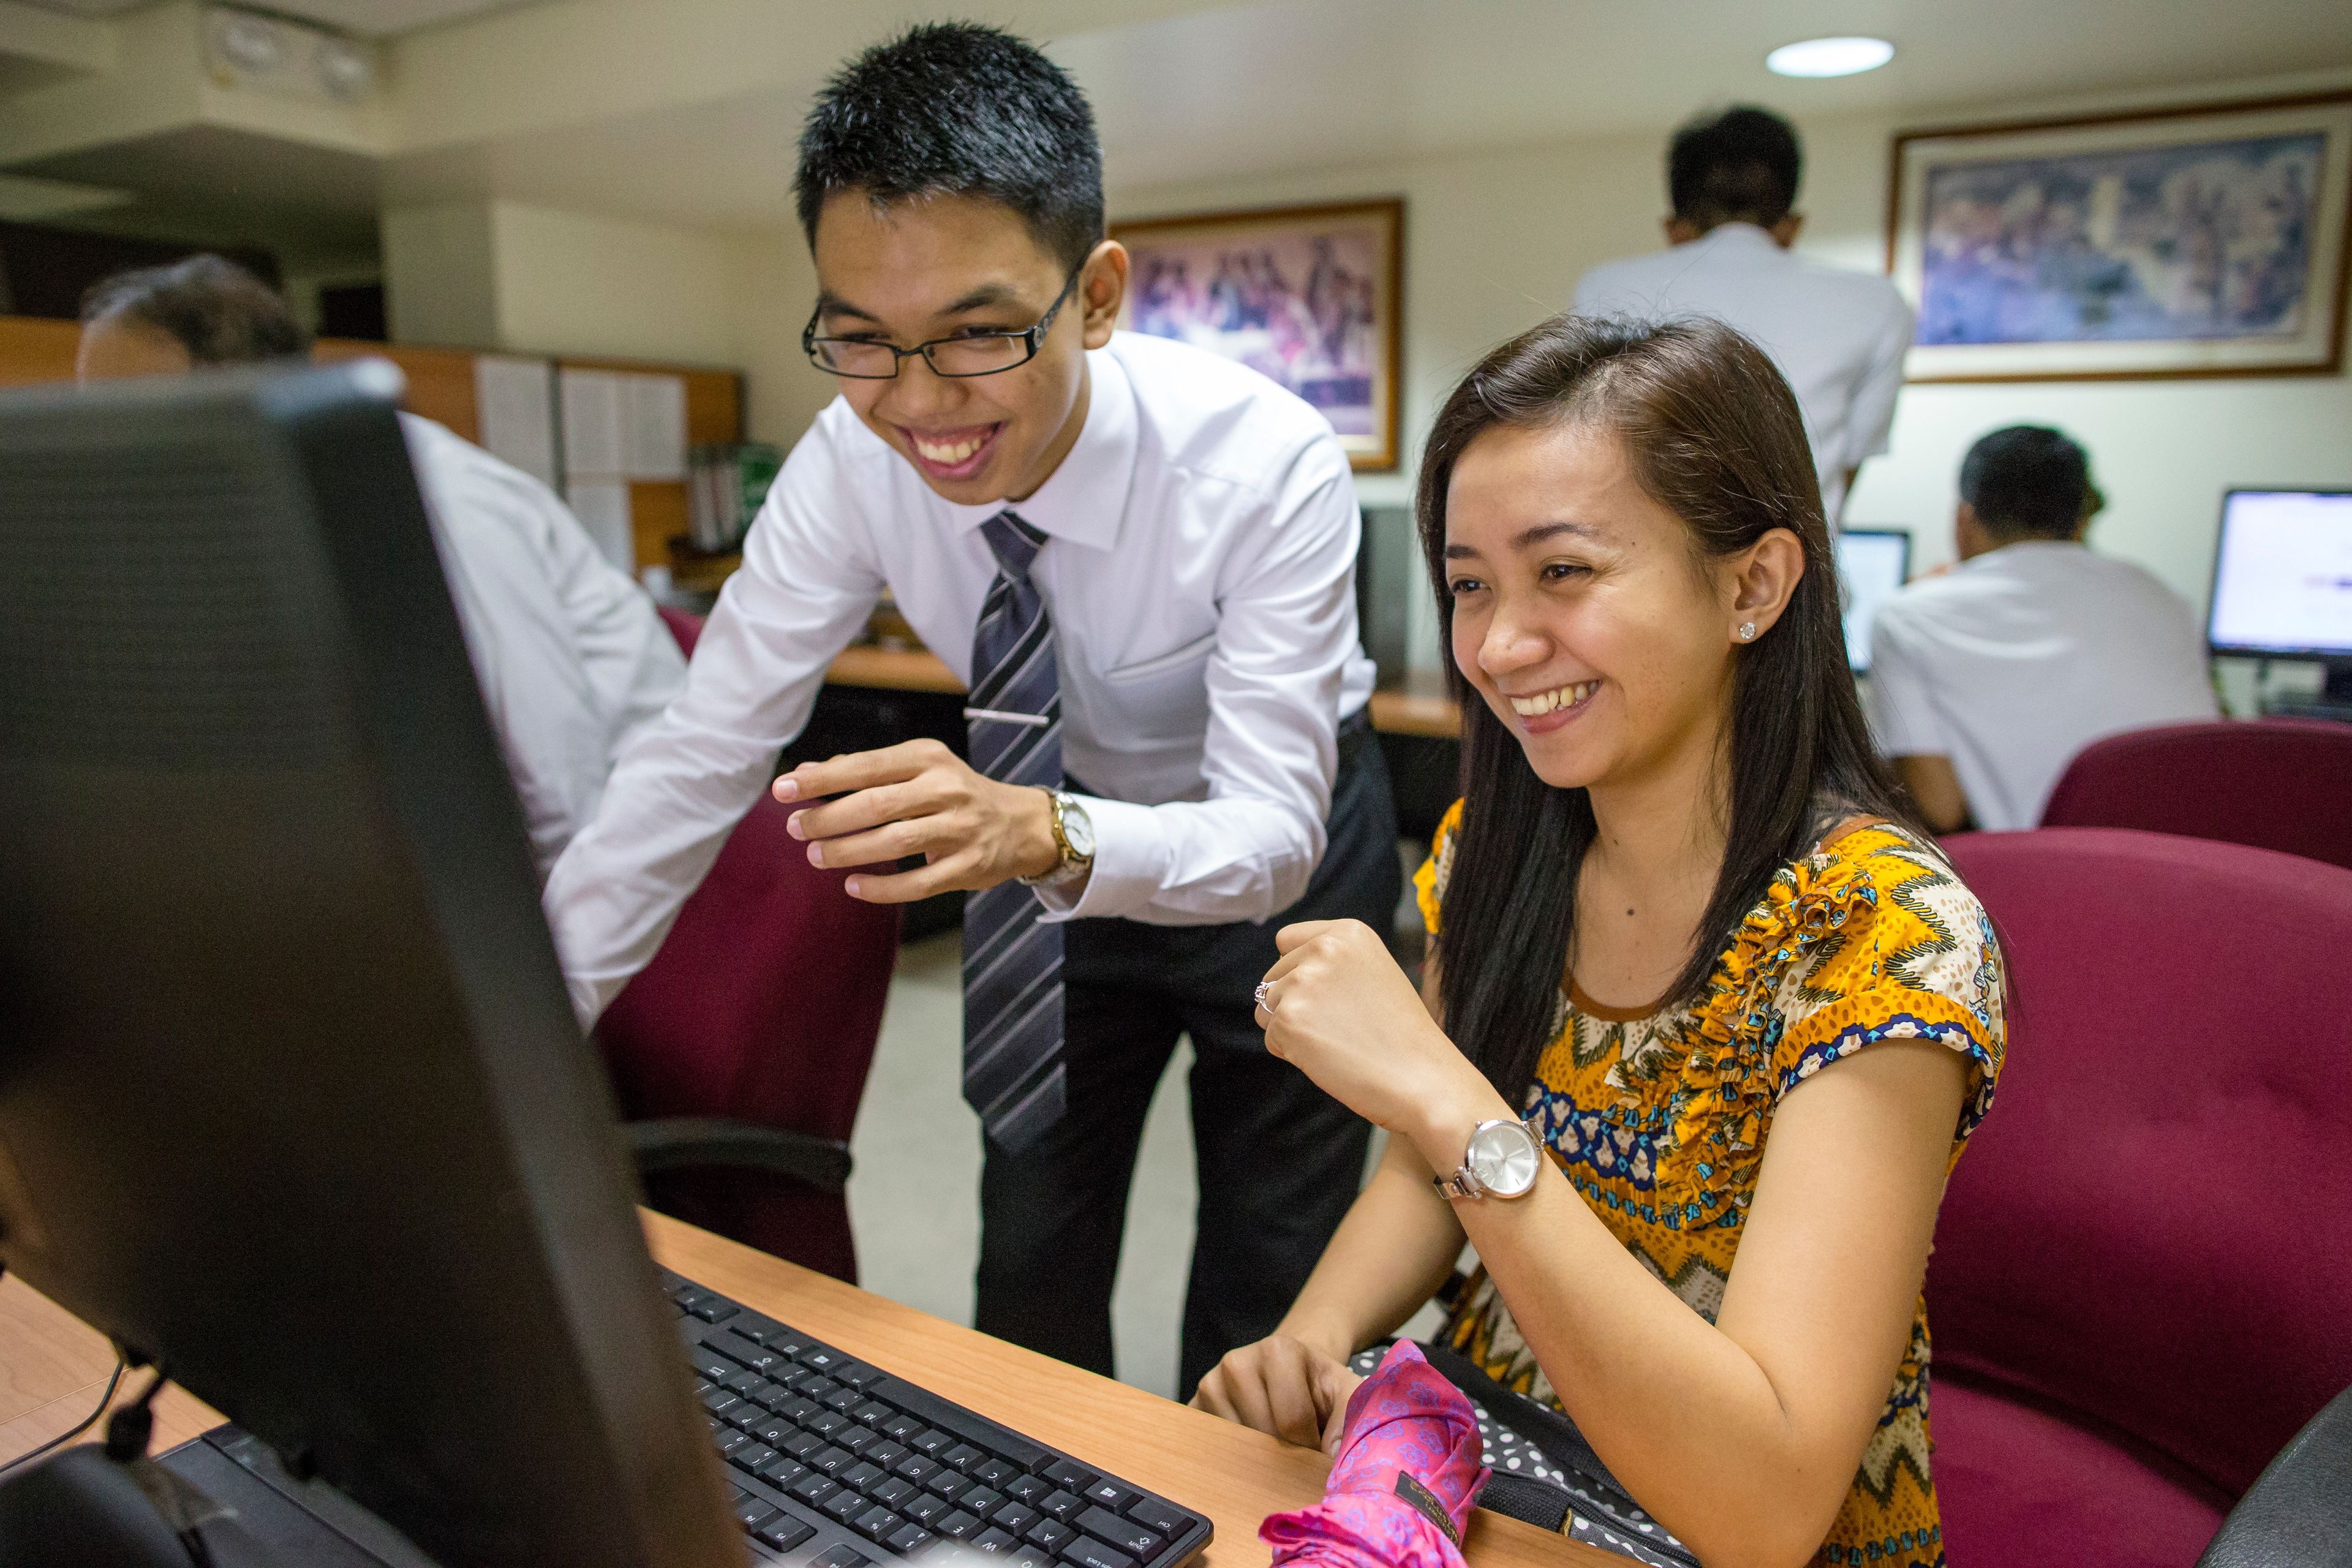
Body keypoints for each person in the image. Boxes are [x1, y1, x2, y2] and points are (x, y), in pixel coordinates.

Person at [543, 23, 1398, 1397]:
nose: (921, 403)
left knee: (1269, 1291)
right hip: (1034, 840)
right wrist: (524, 1027)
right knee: (1033, 1257)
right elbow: (704, 748)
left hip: (1268, 853)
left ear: (1099, 293)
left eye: (980, 334)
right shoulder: (849, 456)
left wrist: (1046, 830)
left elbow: (1272, 832)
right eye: (861, 341)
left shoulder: (1263, 462)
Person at [1192, 315, 2007, 1568]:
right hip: (1488, 1462)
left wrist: (1441, 1094)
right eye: (1471, 583)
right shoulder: (1495, 846)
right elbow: (1431, 1174)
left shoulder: (1880, 928)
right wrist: (1315, 1331)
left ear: (1753, 584)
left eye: (1563, 572)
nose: (1501, 645)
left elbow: (1768, 1505)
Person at [75, 255, 685, 880]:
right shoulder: (244, 505)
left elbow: (559, 783)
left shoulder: (443, 501)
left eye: (132, 412)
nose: (104, 447)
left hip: (641, 843)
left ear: (249, 395)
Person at [1866, 425, 2218, 834]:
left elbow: (1939, 806)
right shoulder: (2163, 597)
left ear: (1964, 517)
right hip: (2191, 866)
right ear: (2080, 519)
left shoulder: (1910, 617)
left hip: (2051, 877)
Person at [1574, 106, 1913, 528]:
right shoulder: (1878, 302)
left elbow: (1589, 440)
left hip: (1644, 561)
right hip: (1797, 569)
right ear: (1791, 226)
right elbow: (1848, 463)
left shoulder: (1604, 289)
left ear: (1674, 229)